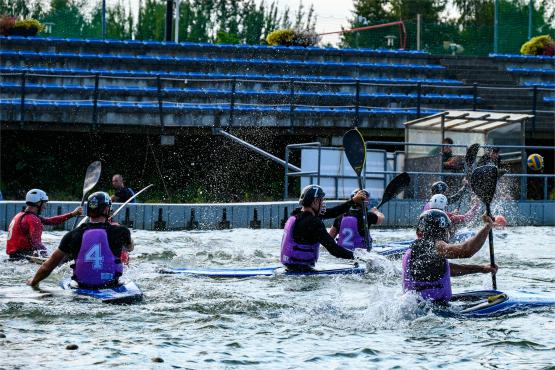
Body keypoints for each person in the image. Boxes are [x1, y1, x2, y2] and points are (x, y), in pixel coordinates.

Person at [27, 191, 134, 288]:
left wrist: (33, 281)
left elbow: (48, 266)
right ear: (107, 209)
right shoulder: (121, 232)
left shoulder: (73, 235)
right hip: (111, 285)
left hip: (82, 286)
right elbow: (130, 248)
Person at [402, 209, 498, 303]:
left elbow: (447, 269)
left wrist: (481, 268)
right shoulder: (436, 245)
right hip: (435, 309)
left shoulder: (415, 249)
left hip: (417, 306)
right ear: (443, 231)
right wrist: (487, 226)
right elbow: (466, 251)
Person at [280, 185, 366, 272]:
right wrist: (358, 257)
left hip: (290, 267)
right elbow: (334, 249)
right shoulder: (313, 223)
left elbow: (333, 212)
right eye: (321, 200)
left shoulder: (296, 214)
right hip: (303, 270)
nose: (323, 203)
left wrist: (353, 201)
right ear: (315, 201)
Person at [6, 189, 82, 260]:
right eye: (44, 203)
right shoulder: (33, 220)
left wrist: (72, 214)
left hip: (13, 256)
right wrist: (50, 258)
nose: (45, 206)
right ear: (38, 203)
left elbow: (51, 221)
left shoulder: (20, 215)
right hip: (23, 258)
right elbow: (37, 245)